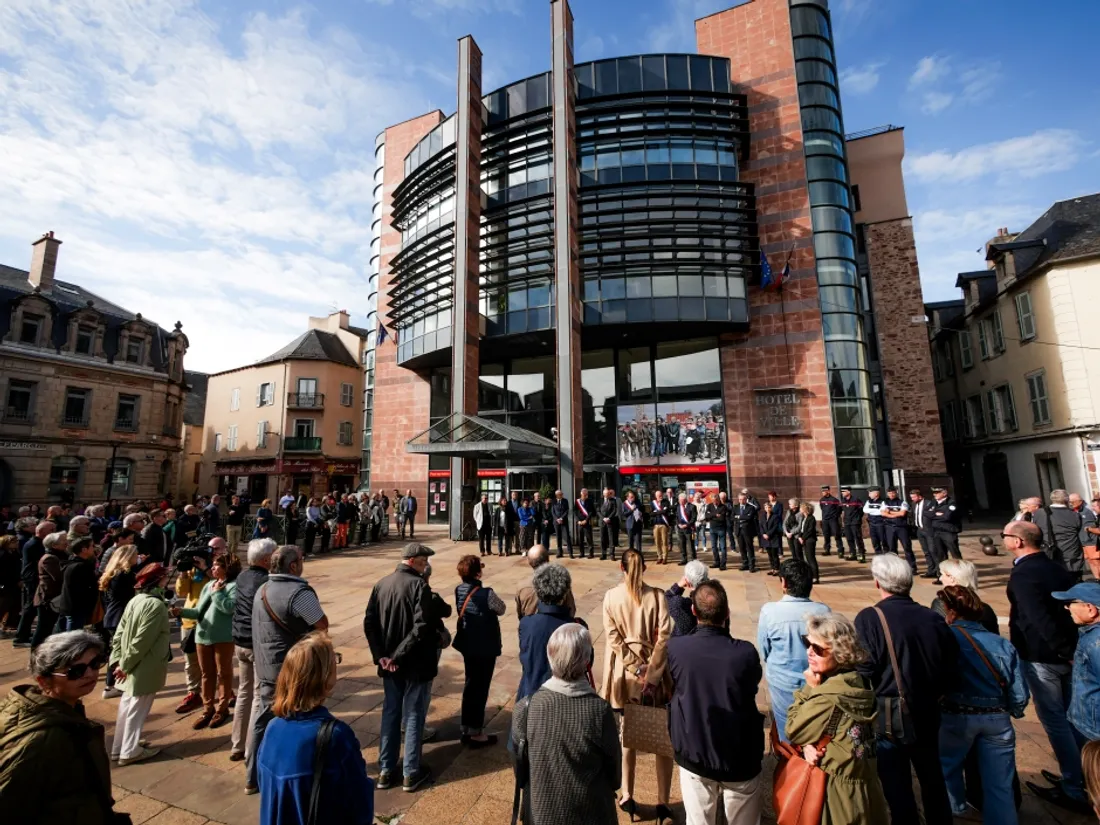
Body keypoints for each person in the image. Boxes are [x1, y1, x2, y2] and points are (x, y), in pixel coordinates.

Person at [854, 553, 958, 825]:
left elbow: (865, 668)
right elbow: (951, 662)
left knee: (896, 783)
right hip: (928, 708)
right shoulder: (931, 616)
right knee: (932, 777)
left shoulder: (870, 617)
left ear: (878, 583)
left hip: (890, 711)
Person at [1003, 519, 1088, 812]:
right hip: (1066, 651)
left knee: (1056, 721)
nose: (1003, 540)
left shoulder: (1025, 574)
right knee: (1073, 716)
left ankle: (1075, 786)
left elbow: (1037, 617)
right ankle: (1082, 774)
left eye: (1005, 536)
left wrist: (1062, 650)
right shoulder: (1054, 566)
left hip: (1044, 655)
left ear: (1018, 541)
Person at [668, 581, 764, 825]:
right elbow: (750, 688)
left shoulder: (678, 648)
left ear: (694, 612)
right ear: (727, 613)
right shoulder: (745, 653)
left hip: (695, 749)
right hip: (738, 755)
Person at [0, 630, 122, 821]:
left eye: (95, 663)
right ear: (44, 680)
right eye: (75, 671)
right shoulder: (41, 740)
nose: (90, 674)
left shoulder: (64, 709)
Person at [257, 632, 374, 825]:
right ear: (324, 676)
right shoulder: (336, 736)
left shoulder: (271, 728)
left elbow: (266, 788)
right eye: (334, 660)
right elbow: (359, 803)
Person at [937, 585, 1029, 824]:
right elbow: (1019, 692)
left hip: (956, 714)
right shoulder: (1002, 644)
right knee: (1000, 785)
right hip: (997, 718)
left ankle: (956, 810)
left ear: (949, 610)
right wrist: (1012, 710)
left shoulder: (946, 638)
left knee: (946, 772)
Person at [512, 624, 621, 825]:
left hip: (541, 813)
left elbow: (521, 770)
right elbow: (614, 775)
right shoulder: (600, 711)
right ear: (587, 661)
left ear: (549, 657)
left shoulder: (524, 708)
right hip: (590, 814)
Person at [786, 612, 888, 824]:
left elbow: (794, 728)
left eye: (818, 649)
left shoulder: (827, 697)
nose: (809, 652)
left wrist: (809, 689)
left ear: (841, 653)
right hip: (867, 791)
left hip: (834, 795)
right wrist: (808, 744)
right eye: (807, 643)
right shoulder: (860, 681)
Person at [248, 545, 329, 795]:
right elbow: (321, 625)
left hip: (264, 664)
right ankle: (291, 770)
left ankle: (253, 776)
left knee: (264, 718)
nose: (303, 563)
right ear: (293, 566)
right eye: (302, 559)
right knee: (296, 716)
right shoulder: (298, 592)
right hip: (292, 666)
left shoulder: (262, 589)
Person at [601, 548, 673, 818]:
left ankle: (628, 794)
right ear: (644, 568)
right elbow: (665, 638)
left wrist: (635, 668)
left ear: (621, 568)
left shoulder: (610, 597)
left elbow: (613, 639)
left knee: (627, 735)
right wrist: (651, 673)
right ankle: (663, 799)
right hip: (654, 675)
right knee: (661, 737)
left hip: (624, 674)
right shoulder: (657, 596)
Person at [363, 542, 436, 792]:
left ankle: (385, 770)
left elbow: (369, 623)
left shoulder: (381, 583)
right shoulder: (419, 586)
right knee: (414, 715)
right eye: (424, 562)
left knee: (391, 713)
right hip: (413, 663)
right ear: (413, 561)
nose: (425, 566)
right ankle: (410, 773)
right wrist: (395, 656)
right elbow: (421, 627)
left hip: (389, 664)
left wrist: (381, 656)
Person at [758, 559, 832, 744]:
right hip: (817, 681)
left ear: (783, 583)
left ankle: (791, 764)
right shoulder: (824, 611)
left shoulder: (770, 611)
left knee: (786, 727)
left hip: (783, 681)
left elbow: (764, 650)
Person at [111, 562, 172, 765]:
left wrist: (117, 661)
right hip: (144, 665)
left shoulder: (135, 600)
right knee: (138, 708)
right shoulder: (156, 605)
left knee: (127, 706)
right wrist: (125, 665)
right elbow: (143, 640)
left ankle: (120, 746)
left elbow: (119, 632)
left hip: (129, 664)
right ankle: (130, 751)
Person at [172, 555, 238, 730]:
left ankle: (222, 709)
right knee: (206, 674)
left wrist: (217, 593)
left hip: (223, 638)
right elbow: (198, 611)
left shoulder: (233, 586)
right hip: (202, 636)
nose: (213, 568)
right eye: (214, 565)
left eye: (218, 566)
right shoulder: (208, 585)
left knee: (224, 674)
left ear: (227, 568)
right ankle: (208, 708)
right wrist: (181, 612)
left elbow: (229, 608)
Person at [453, 554, 505, 747]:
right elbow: (501, 609)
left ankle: (466, 725)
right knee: (480, 687)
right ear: (477, 573)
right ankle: (475, 732)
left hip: (468, 644)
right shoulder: (487, 593)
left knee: (470, 684)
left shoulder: (458, 590)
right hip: (485, 646)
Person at [230, 538, 273, 762]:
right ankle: (251, 749)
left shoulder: (243, 576)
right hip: (256, 642)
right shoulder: (267, 581)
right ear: (267, 559)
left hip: (239, 641)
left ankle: (237, 744)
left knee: (244, 693)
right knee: (258, 696)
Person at [518, 564, 578, 700]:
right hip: (565, 698)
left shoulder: (526, 623)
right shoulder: (577, 627)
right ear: (565, 592)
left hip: (531, 696)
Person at [1052, 582, 1100, 744]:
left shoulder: (1097, 643)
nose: (1067, 608)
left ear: (1090, 608)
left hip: (1093, 727)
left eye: (1071, 603)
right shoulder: (1091, 634)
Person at [99, 541, 138, 699]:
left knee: (117, 651)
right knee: (119, 652)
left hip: (112, 615)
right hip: (121, 616)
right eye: (135, 555)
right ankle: (111, 685)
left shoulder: (113, 572)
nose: (137, 557)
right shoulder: (125, 574)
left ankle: (113, 684)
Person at [174, 547, 211, 714]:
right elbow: (181, 592)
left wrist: (205, 568)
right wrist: (182, 572)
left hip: (211, 620)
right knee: (191, 661)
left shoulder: (215, 567)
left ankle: (222, 691)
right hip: (190, 619)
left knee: (214, 660)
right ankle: (193, 692)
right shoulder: (189, 571)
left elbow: (222, 582)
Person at [930, 558, 999, 633]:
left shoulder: (942, 603)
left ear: (952, 578)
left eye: (942, 574)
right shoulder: (986, 609)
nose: (940, 578)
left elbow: (938, 632)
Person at [12, 519, 49, 647]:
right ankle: (21, 637)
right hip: (32, 577)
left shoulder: (35, 542)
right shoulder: (32, 544)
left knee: (31, 607)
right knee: (30, 607)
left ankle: (24, 634)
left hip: (32, 577)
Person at [515, 545, 576, 618]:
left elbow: (520, 614)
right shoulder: (560, 582)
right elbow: (571, 609)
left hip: (531, 626)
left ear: (529, 562)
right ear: (547, 560)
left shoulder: (522, 586)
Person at [31, 531, 68, 649]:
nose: (67, 543)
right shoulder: (49, 558)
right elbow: (59, 577)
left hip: (54, 597)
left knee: (49, 627)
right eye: (63, 542)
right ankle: (35, 652)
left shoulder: (61, 556)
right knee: (43, 628)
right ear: (54, 545)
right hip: (47, 599)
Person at [54, 535, 98, 632]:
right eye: (91, 546)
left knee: (62, 632)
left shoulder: (71, 563)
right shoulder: (80, 566)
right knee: (73, 635)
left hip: (68, 605)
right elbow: (83, 588)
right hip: (77, 607)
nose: (94, 548)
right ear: (84, 550)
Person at [1047, 489, 1085, 580]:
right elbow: (1079, 529)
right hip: (1072, 553)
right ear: (1067, 500)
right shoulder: (1074, 515)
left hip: (1051, 552)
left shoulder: (1042, 513)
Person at [666, 559, 709, 637]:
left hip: (682, 645)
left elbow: (666, 598)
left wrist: (678, 585)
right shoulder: (717, 599)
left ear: (688, 583)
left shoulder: (680, 604)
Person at [927, 486, 963, 577]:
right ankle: (942, 576)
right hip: (937, 531)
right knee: (941, 555)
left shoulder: (951, 503)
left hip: (948, 531)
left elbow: (947, 517)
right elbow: (926, 513)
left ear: (944, 493)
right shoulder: (933, 502)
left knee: (955, 553)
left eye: (937, 492)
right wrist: (936, 513)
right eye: (934, 493)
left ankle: (961, 574)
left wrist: (934, 514)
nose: (935, 494)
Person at [908, 488, 938, 579]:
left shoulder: (929, 503)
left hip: (929, 530)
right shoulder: (913, 504)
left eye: (914, 497)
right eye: (911, 497)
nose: (912, 499)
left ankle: (939, 571)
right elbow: (912, 515)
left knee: (933, 550)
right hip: (919, 530)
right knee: (926, 551)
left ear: (920, 496)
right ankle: (931, 570)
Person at [0, 535, 22, 637]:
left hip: (13, 584)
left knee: (13, 605)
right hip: (5, 585)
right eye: (13, 541)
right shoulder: (3, 554)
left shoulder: (15, 553)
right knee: (3, 606)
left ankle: (7, 626)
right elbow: (4, 572)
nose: (17, 543)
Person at [732, 492, 758, 573]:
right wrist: (742, 517)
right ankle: (745, 564)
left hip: (747, 531)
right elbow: (732, 517)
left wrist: (739, 517)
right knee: (742, 548)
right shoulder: (735, 507)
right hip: (738, 531)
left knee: (749, 548)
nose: (741, 501)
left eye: (743, 499)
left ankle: (751, 566)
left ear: (746, 499)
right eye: (740, 499)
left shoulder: (751, 507)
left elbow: (749, 517)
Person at [840, 486, 866, 562]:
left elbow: (861, 511)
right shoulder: (843, 501)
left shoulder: (856, 500)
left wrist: (857, 519)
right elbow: (842, 511)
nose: (842, 493)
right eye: (842, 492)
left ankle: (861, 554)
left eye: (844, 491)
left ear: (849, 492)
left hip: (855, 523)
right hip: (847, 523)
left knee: (858, 538)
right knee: (849, 539)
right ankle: (852, 554)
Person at [796, 502, 820, 584]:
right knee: (807, 559)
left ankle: (816, 578)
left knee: (811, 559)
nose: (800, 509)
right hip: (804, 540)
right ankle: (810, 576)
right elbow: (802, 529)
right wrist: (799, 536)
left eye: (801, 507)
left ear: (805, 509)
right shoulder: (804, 518)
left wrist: (802, 538)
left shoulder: (811, 518)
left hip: (810, 540)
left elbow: (810, 531)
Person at [705, 492, 729, 571]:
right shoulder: (709, 506)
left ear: (718, 499)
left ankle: (723, 564)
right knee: (713, 547)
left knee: (723, 547)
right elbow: (706, 517)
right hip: (712, 529)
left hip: (721, 529)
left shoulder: (723, 507)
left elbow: (721, 518)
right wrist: (716, 515)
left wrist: (712, 515)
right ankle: (717, 562)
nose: (714, 502)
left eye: (715, 500)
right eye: (713, 500)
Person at [759, 501, 782, 575]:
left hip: (773, 538)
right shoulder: (762, 516)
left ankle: (777, 569)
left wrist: (768, 534)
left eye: (769, 507)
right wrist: (763, 534)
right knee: (770, 555)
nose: (767, 509)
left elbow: (775, 527)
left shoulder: (775, 516)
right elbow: (761, 526)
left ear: (771, 508)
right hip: (765, 538)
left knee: (774, 555)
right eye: (765, 507)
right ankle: (772, 568)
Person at [863, 487, 887, 556]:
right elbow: (865, 510)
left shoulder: (883, 501)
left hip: (880, 523)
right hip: (872, 524)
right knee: (874, 541)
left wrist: (871, 511)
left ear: (876, 494)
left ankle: (886, 555)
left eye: (870, 493)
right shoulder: (868, 501)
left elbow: (881, 512)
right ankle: (878, 555)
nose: (869, 495)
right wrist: (875, 510)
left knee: (883, 540)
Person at [675, 492, 698, 566]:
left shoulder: (692, 506)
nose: (679, 501)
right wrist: (678, 524)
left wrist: (686, 525)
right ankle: (684, 559)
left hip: (689, 529)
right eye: (679, 500)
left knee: (690, 545)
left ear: (684, 500)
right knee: (682, 544)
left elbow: (694, 518)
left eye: (680, 500)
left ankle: (692, 560)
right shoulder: (678, 507)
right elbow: (677, 517)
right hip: (681, 529)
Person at [819, 485, 841, 557]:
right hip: (825, 520)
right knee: (826, 535)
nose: (823, 492)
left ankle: (840, 550)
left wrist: (834, 517)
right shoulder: (821, 500)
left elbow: (839, 510)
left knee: (837, 535)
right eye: (822, 491)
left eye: (824, 491)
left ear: (828, 491)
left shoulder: (834, 500)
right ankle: (827, 550)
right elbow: (822, 509)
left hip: (833, 520)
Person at [651, 489, 672, 565]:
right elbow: (651, 513)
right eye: (658, 495)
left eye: (661, 495)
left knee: (664, 542)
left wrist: (656, 512)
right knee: (657, 542)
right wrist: (659, 512)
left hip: (664, 525)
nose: (660, 496)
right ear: (656, 496)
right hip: (656, 525)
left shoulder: (666, 502)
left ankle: (664, 558)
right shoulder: (653, 503)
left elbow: (665, 511)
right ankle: (659, 557)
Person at [599, 488, 621, 561]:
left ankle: (612, 554)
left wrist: (609, 518)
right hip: (602, 522)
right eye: (606, 494)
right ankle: (603, 554)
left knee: (611, 538)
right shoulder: (600, 500)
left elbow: (614, 510)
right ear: (603, 494)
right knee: (603, 538)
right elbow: (597, 510)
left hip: (610, 522)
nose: (607, 495)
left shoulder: (613, 500)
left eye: (608, 494)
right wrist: (603, 518)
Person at [550, 489, 573, 559]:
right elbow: (552, 511)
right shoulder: (553, 501)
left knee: (567, 537)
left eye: (561, 494)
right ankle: (559, 552)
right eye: (560, 494)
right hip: (556, 522)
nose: (561, 495)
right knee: (558, 537)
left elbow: (567, 510)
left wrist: (561, 518)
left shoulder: (565, 501)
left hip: (564, 521)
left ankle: (570, 553)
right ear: (557, 495)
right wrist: (557, 519)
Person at [622, 490, 644, 554]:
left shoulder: (638, 502)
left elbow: (643, 509)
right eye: (631, 497)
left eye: (633, 497)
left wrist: (641, 512)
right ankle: (631, 554)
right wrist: (631, 510)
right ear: (627, 497)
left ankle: (639, 555)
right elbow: (624, 514)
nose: (633, 498)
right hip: (630, 525)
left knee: (638, 541)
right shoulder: (624, 504)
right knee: (630, 541)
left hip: (638, 524)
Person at [575, 488, 595, 558]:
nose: (585, 495)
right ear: (581, 494)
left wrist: (586, 520)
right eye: (584, 494)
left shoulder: (590, 501)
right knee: (580, 539)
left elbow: (591, 512)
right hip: (580, 523)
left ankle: (591, 553)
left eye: (586, 494)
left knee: (589, 539)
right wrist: (578, 521)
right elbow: (575, 512)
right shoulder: (577, 502)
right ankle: (581, 553)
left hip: (587, 522)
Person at [782, 498, 802, 563]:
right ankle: (795, 567)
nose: (789, 505)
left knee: (798, 553)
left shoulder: (800, 513)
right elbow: (784, 523)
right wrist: (786, 532)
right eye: (789, 504)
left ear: (796, 505)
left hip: (796, 536)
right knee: (793, 552)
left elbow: (800, 526)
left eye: (790, 504)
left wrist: (791, 533)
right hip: (788, 535)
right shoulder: (789, 511)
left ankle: (801, 567)